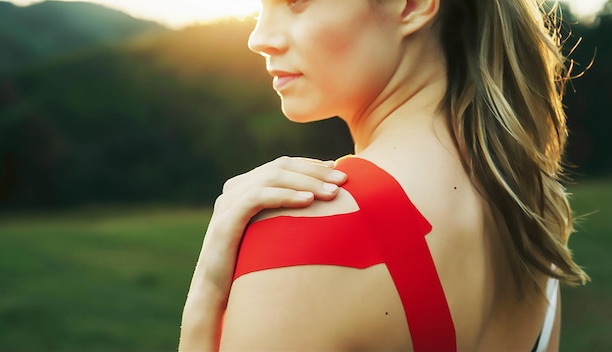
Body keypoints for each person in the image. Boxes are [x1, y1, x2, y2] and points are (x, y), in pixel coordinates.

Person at [179, 0, 589, 350]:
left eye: (296, 1)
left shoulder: (308, 231)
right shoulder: (534, 206)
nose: (259, 37)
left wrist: (206, 296)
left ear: (410, 6)